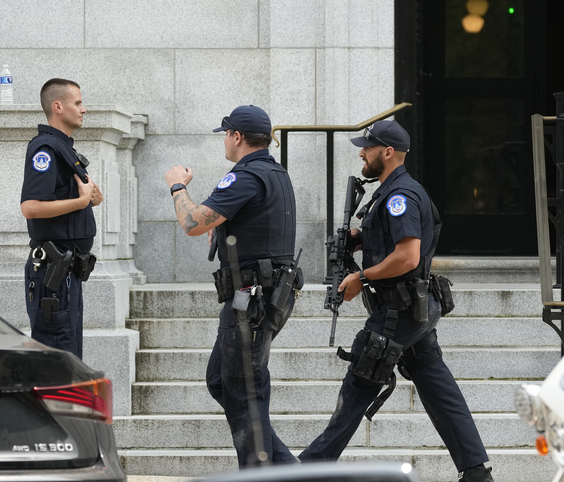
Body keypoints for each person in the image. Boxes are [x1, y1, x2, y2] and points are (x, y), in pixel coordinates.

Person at [298, 120, 494, 482]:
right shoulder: (391, 193)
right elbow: (392, 242)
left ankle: (306, 471)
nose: (361, 153)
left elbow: (408, 257)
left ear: (387, 152)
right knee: (438, 389)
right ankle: (477, 472)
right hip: (409, 310)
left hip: (399, 311)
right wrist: (360, 239)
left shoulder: (400, 196)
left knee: (358, 385)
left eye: (367, 148)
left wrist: (361, 277)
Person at [164, 104, 298, 468]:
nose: (225, 140)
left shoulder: (245, 176)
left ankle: (263, 475)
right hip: (264, 297)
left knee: (243, 394)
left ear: (237, 136)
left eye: (226, 133)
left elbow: (192, 222)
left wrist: (177, 186)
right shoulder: (276, 172)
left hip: (250, 301)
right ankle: (291, 470)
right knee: (223, 382)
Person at [20, 78, 103, 359]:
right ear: (58, 106)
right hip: (53, 273)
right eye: (78, 103)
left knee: (68, 358)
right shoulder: (45, 150)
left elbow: (65, 199)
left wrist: (91, 199)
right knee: (56, 363)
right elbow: (30, 207)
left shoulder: (64, 149)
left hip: (67, 274)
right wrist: (80, 201)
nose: (84, 110)